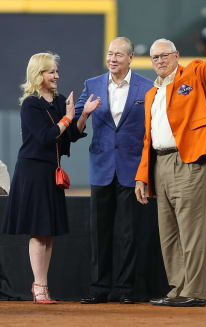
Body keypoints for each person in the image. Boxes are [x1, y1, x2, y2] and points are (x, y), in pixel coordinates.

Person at [134, 13, 206, 307]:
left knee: (192, 229)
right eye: (154, 57)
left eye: (164, 55)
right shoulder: (152, 93)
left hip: (191, 161)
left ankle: (195, 292)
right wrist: (142, 175)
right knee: (169, 233)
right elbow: (148, 139)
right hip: (161, 163)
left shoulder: (194, 74)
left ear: (176, 56)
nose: (159, 61)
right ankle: (177, 289)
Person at [1, 52, 100, 303]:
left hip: (50, 171)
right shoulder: (31, 104)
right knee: (37, 231)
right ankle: (39, 286)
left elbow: (68, 137)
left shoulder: (58, 101)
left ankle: (42, 285)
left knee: (47, 231)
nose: (56, 76)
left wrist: (84, 115)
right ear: (39, 74)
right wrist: (68, 118)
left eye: (56, 71)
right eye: (51, 71)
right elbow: (46, 136)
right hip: (32, 172)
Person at [76, 37, 153, 305]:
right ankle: (99, 287)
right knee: (100, 231)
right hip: (102, 167)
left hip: (132, 170)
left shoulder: (146, 87)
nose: (112, 59)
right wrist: (84, 114)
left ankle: (125, 289)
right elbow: (77, 126)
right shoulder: (93, 84)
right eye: (110, 54)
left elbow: (152, 130)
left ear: (131, 57)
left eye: (118, 55)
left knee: (128, 232)